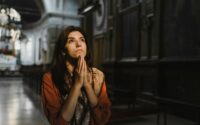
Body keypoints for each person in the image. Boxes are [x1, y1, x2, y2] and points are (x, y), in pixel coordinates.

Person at [41, 26, 111, 125]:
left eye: (82, 40)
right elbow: (58, 123)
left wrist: (87, 84)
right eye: (71, 41)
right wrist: (77, 85)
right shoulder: (50, 78)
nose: (79, 44)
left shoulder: (98, 76)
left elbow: (102, 119)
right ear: (63, 51)